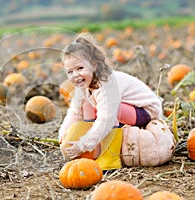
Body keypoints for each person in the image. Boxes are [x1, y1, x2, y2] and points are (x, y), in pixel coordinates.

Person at [58, 32, 162, 167]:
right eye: (70, 71)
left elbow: (106, 119)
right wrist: (63, 134)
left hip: (145, 110)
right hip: (127, 109)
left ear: (94, 66)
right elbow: (74, 112)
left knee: (112, 110)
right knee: (86, 105)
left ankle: (110, 158)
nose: (75, 75)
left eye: (80, 68)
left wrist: (83, 145)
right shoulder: (83, 86)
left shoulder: (106, 84)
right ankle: (94, 151)